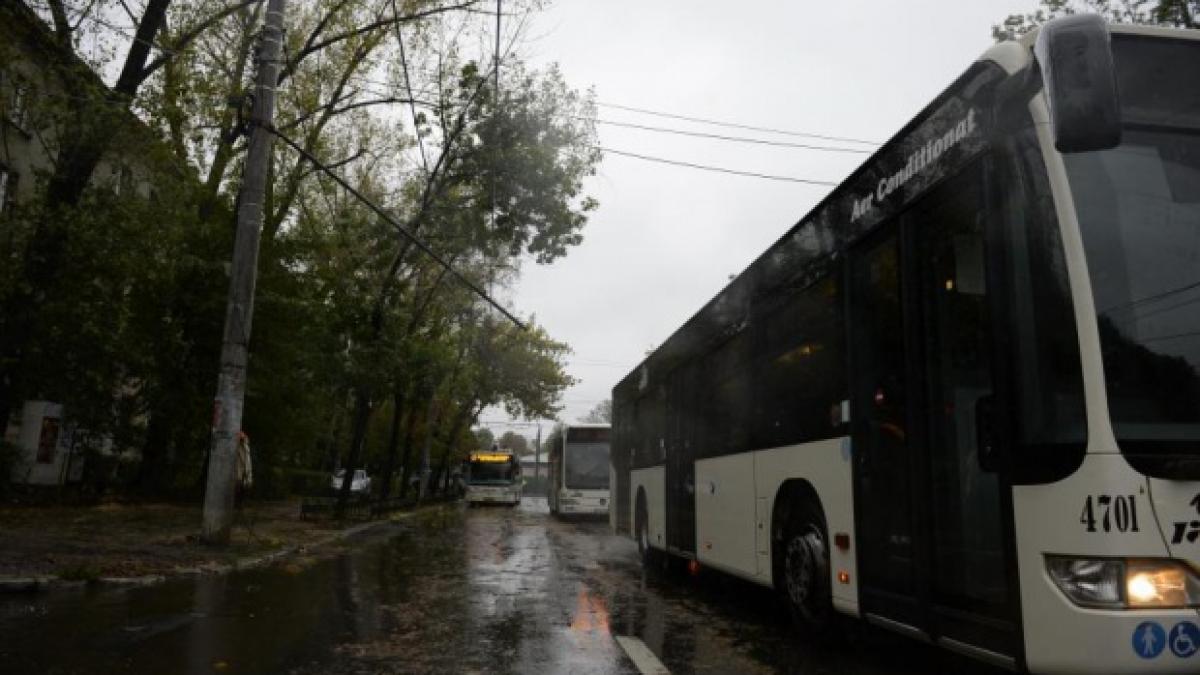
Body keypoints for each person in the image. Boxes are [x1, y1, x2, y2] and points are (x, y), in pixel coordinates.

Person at [235, 431, 253, 504]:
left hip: (244, 470)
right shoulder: (240, 447)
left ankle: (240, 503)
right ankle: (239, 503)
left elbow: (247, 461)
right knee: (239, 487)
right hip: (240, 470)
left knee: (243, 487)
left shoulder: (246, 447)